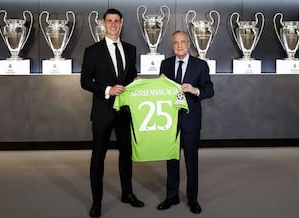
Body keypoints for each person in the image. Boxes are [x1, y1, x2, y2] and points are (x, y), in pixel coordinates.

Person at [80, 8, 144, 218]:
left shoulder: (131, 49)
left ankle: (127, 194)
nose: (113, 24)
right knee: (98, 158)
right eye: (109, 21)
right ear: (104, 24)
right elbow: (85, 81)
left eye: (117, 21)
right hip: (102, 112)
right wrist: (108, 90)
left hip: (125, 112)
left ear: (122, 23)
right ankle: (96, 203)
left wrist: (136, 81)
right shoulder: (93, 51)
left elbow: (131, 75)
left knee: (126, 155)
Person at [157, 30, 214, 214]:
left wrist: (194, 90)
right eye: (175, 42)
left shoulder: (200, 65)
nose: (179, 45)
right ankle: (171, 196)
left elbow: (209, 90)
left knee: (191, 161)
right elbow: (160, 90)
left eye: (182, 42)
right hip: (170, 121)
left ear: (189, 44)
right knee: (171, 160)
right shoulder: (165, 64)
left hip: (191, 122)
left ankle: (192, 199)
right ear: (172, 45)